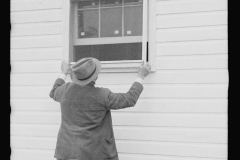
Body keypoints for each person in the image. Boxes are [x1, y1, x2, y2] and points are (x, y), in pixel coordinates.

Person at [49, 57, 151, 160]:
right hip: (90, 154)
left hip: (66, 151)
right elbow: (129, 99)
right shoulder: (102, 95)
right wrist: (141, 76)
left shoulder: (64, 90)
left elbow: (53, 91)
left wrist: (64, 72)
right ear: (94, 78)